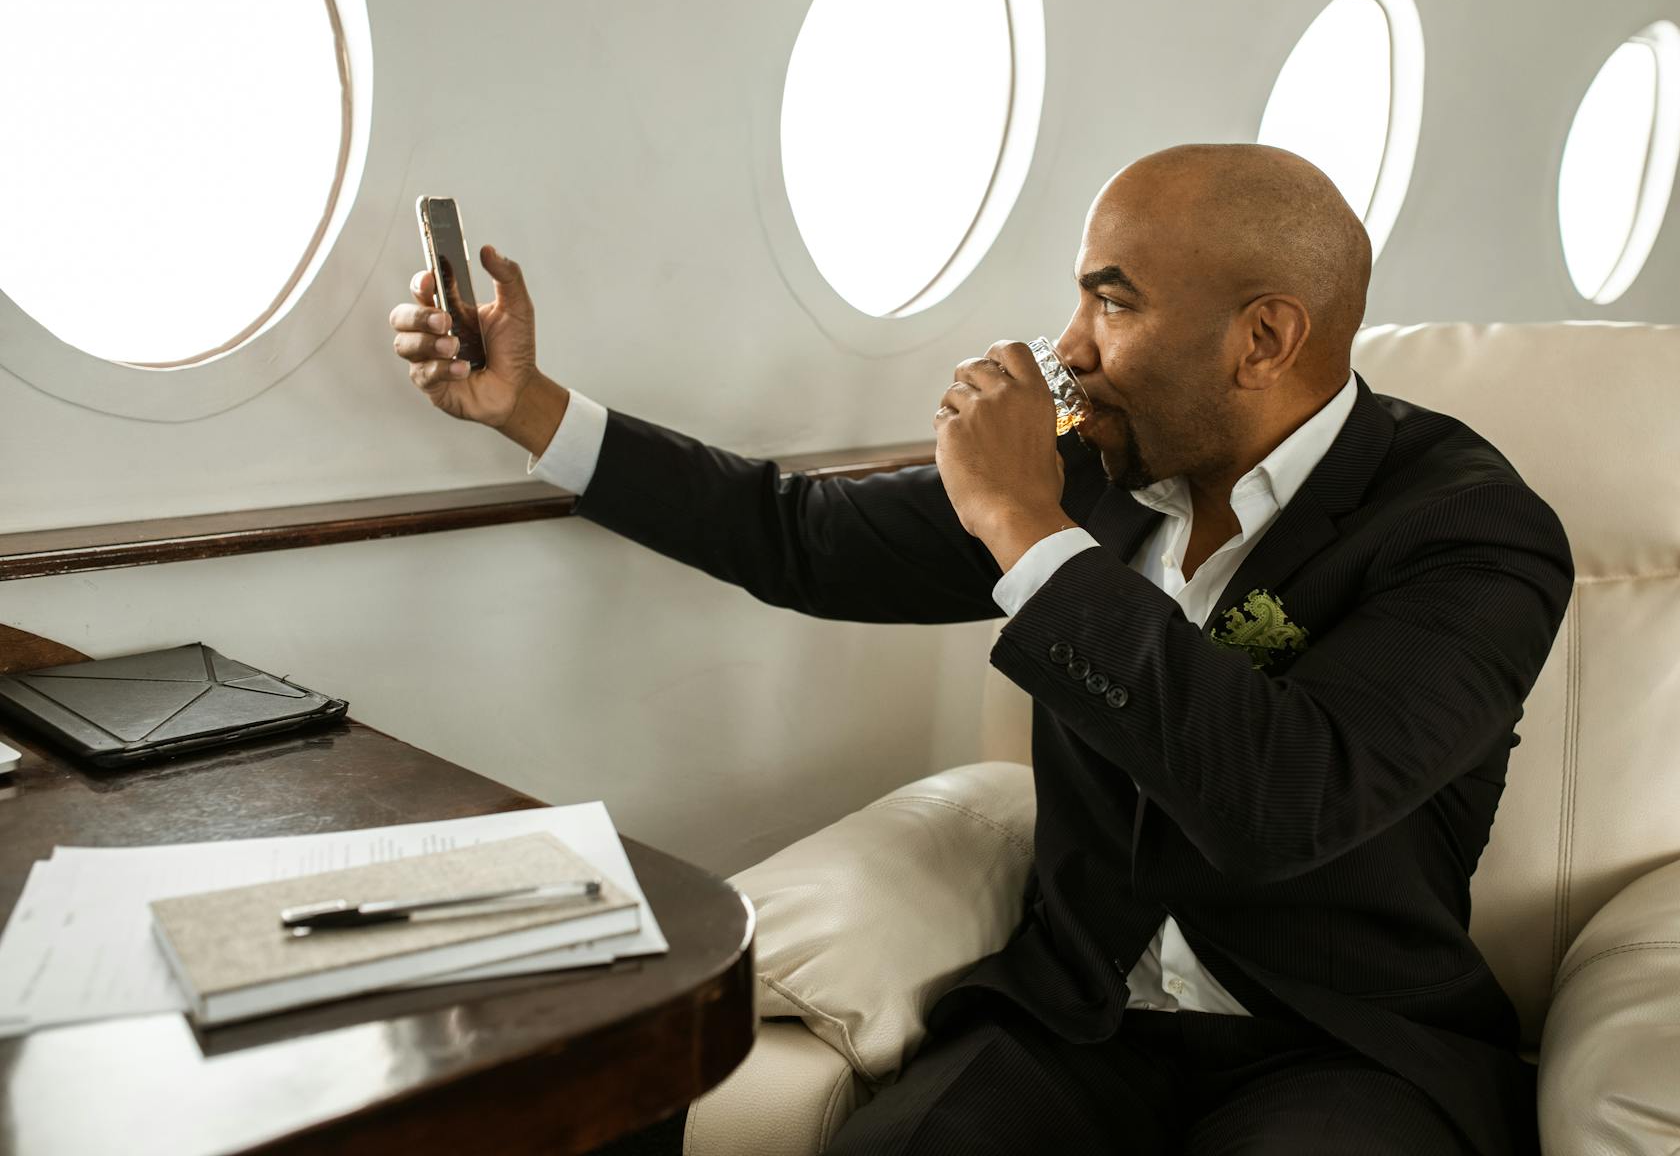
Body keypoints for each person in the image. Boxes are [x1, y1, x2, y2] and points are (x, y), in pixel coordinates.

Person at [389, 143, 1574, 1154]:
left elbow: (1283, 799)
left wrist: (1024, 525)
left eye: (1113, 302)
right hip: (1076, 1019)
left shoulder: (1468, 530)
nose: (1070, 349)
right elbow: (793, 535)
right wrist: (530, 407)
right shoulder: (1097, 465)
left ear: (1262, 337)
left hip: (1340, 1047)